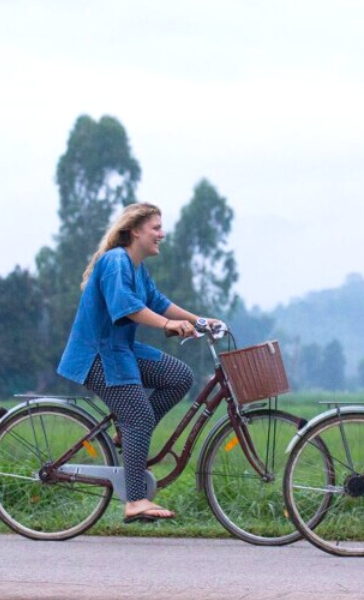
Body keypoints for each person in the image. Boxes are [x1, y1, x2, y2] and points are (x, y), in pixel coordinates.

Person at [57, 202, 221, 523]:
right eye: (155, 227)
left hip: (121, 351)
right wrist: (165, 325)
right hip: (97, 356)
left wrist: (198, 321)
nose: (162, 233)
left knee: (179, 376)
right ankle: (135, 500)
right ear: (135, 230)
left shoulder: (135, 267)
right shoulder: (116, 261)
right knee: (140, 417)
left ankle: (127, 433)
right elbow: (126, 306)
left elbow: (157, 301)